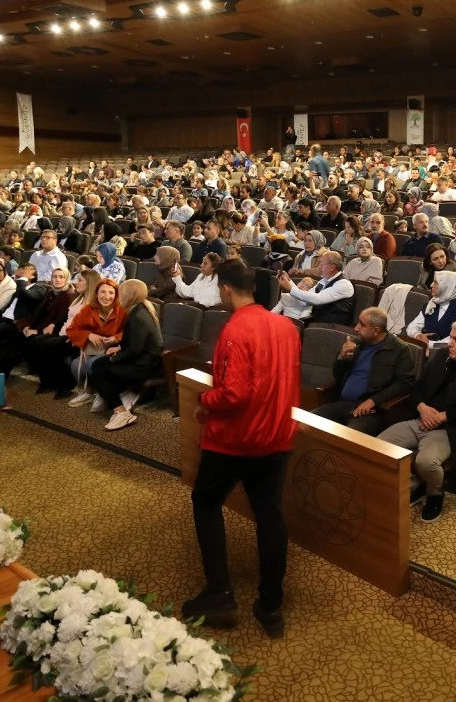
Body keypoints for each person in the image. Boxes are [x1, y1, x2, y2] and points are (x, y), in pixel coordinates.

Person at [184, 259, 300, 638]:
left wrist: (206, 398)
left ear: (226, 289)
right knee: (270, 515)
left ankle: (219, 592)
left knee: (206, 502)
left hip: (236, 438)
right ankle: (270, 605)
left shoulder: (235, 329)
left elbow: (234, 392)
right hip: (276, 434)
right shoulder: (287, 326)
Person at [377, 319, 456, 522]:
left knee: (426, 462)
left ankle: (435, 493)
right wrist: (422, 407)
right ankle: (393, 487)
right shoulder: (442, 356)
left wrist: (444, 416)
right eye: (451, 337)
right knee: (376, 446)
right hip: (420, 418)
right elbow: (417, 387)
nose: (450, 343)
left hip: (448, 428)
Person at [313, 307, 418, 435]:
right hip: (342, 403)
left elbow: (405, 383)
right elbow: (337, 376)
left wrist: (373, 401)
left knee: (348, 437)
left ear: (375, 331)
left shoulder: (399, 349)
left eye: (362, 325)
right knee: (306, 423)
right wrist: (341, 358)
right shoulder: (356, 345)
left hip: (371, 411)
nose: (356, 328)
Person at [88, 279, 164, 431]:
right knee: (98, 364)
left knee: (97, 374)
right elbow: (134, 342)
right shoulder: (140, 308)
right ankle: (116, 395)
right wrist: (117, 349)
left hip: (145, 365)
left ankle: (122, 413)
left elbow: (134, 351)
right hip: (142, 359)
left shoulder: (138, 317)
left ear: (129, 295)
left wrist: (115, 358)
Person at [66, 279, 125, 410]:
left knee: (92, 365)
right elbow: (72, 330)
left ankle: (101, 394)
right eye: (103, 292)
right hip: (93, 349)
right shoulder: (88, 309)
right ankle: (88, 392)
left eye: (111, 293)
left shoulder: (122, 310)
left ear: (116, 295)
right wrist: (88, 335)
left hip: (114, 350)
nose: (107, 296)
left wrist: (116, 338)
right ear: (96, 293)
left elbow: (129, 332)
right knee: (76, 365)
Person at [406, 271, 456, 346]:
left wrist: (430, 344)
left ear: (447, 287)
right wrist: (417, 335)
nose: (431, 285)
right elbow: (412, 326)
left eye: (436, 283)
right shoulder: (431, 304)